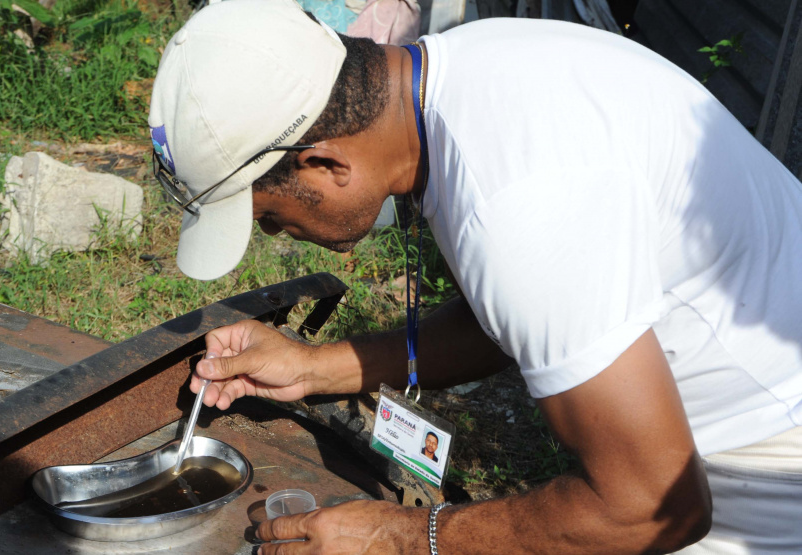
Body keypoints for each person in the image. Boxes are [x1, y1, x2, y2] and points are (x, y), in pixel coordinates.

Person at [148, 0, 802, 552]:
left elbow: (652, 507)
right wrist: (315, 369)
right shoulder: (461, 76)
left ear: (323, 163)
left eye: (267, 216)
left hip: (767, 468)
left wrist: (398, 535)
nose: (273, 236)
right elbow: (508, 321)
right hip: (690, 442)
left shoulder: (516, 204)